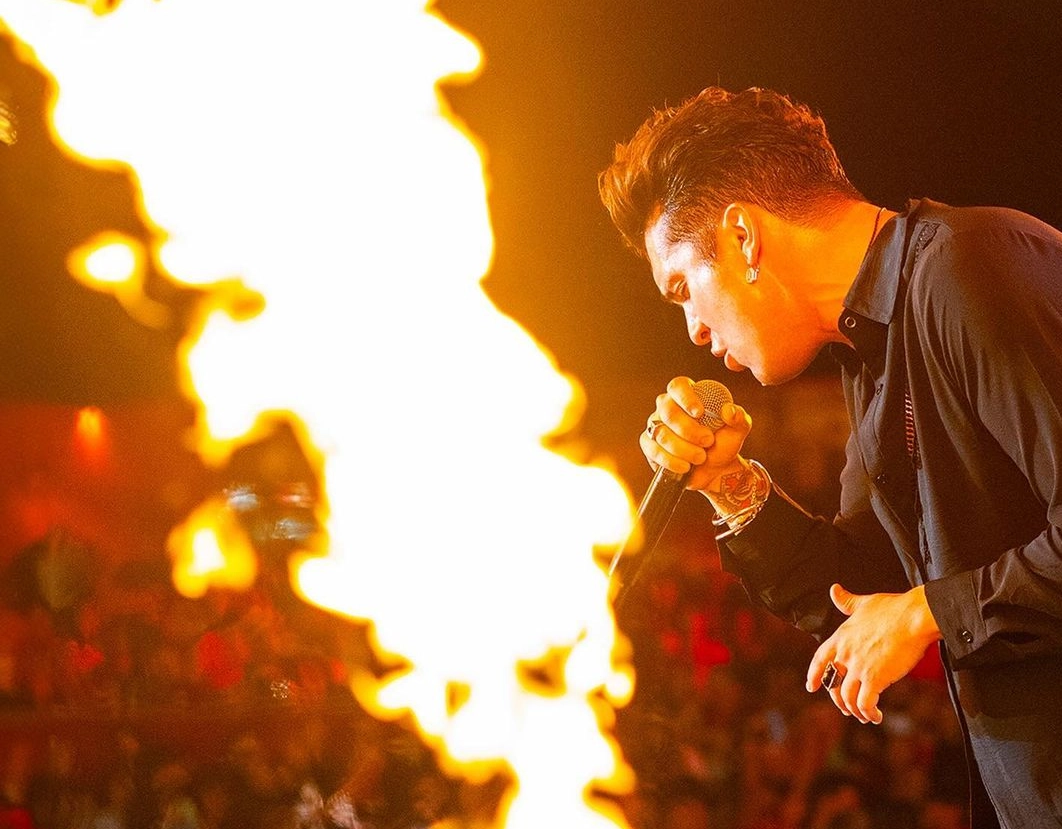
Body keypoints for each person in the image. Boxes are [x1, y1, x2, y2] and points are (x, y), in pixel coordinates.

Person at [597, 86, 1062, 829]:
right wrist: (729, 482)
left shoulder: (973, 270)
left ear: (744, 237)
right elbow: (861, 589)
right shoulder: (870, 355)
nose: (692, 329)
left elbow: (915, 609)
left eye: (684, 288)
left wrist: (929, 610)